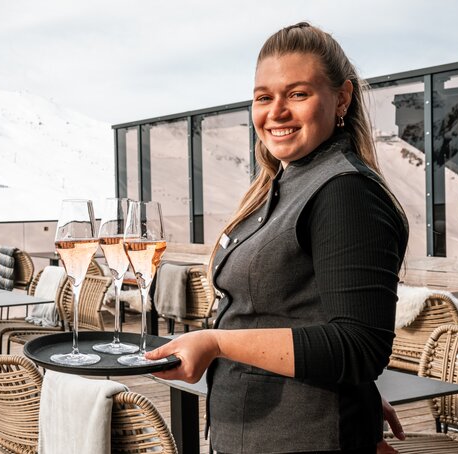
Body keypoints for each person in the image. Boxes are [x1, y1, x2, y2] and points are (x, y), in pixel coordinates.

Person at [146, 22, 409, 453]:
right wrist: (351, 390)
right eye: (264, 97)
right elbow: (298, 315)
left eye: (298, 94)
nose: (277, 112)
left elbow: (360, 345)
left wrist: (215, 342)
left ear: (341, 98)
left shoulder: (344, 192)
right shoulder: (284, 183)